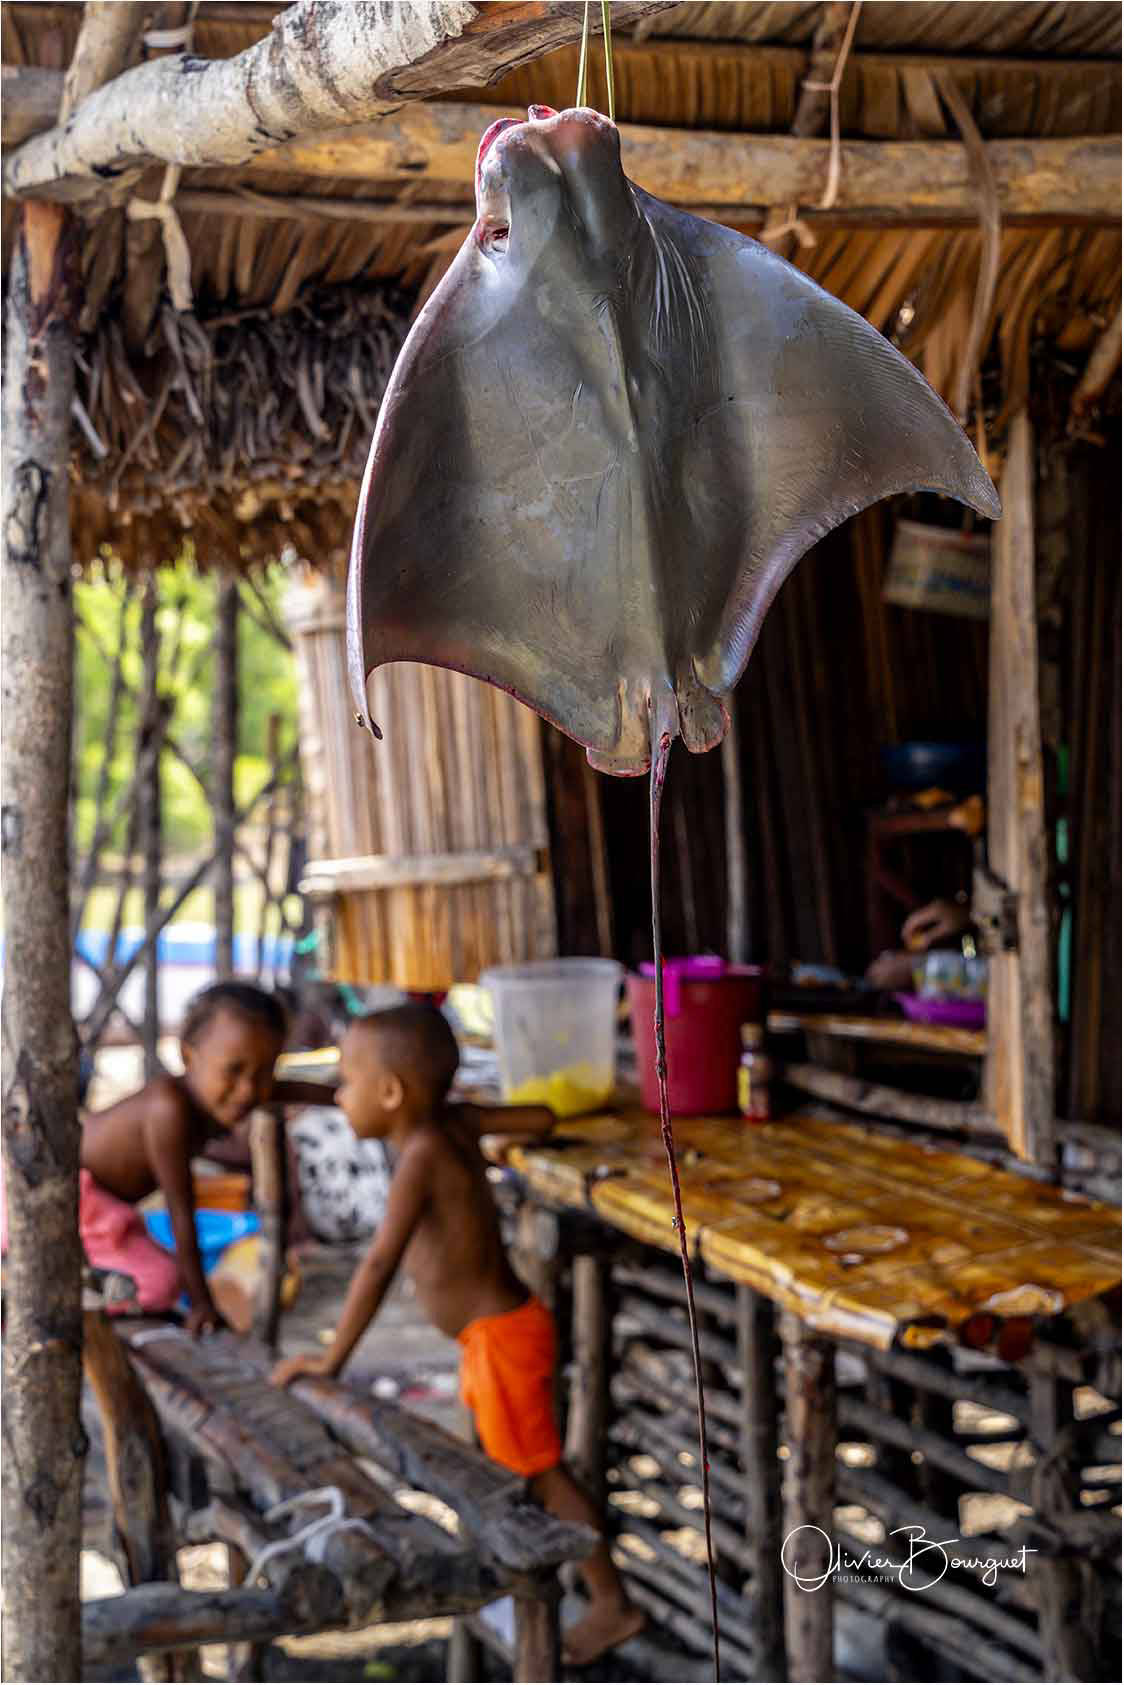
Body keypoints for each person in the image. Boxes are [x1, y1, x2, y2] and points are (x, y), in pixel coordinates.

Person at [271, 1004, 645, 1666]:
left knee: (540, 1475)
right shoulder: (452, 1124)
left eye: (346, 1082)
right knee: (515, 1467)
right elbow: (539, 1117)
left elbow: (379, 1264)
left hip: (502, 1339)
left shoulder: (421, 1154)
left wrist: (330, 1359)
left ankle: (610, 1602)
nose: (338, 1096)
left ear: (391, 1093)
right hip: (491, 1336)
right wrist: (485, 1113)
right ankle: (531, 1582)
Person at [62, 981, 331, 1331]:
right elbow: (181, 1215)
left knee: (160, 1270)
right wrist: (203, 1305)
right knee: (161, 1282)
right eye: (234, 1070)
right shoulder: (168, 1110)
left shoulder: (220, 1090)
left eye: (264, 1072)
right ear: (188, 1057)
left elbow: (282, 1089)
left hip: (106, 1207)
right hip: (73, 1201)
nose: (248, 1090)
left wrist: (342, 1096)